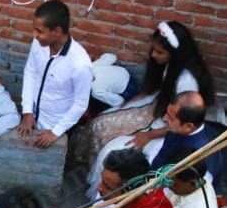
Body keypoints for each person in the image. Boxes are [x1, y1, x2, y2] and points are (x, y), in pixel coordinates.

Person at [87, 20, 216, 160]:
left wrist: (149, 135)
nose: (153, 55)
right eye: (153, 49)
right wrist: (132, 102)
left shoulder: (187, 83)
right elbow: (156, 90)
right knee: (100, 124)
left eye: (160, 52)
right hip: (157, 105)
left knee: (109, 136)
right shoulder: (170, 66)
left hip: (166, 123)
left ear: (175, 54)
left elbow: (181, 124)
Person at [17, 0, 93, 149]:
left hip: (57, 126)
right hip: (32, 118)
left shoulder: (80, 64)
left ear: (57, 32)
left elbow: (80, 104)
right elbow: (30, 72)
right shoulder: (38, 44)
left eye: (39, 31)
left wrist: (55, 132)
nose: (34, 35)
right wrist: (27, 111)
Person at [148, 91, 223, 184]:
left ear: (188, 126)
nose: (164, 118)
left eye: (170, 117)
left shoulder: (201, 156)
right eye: (166, 113)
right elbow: (161, 149)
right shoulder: (178, 129)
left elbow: (194, 187)